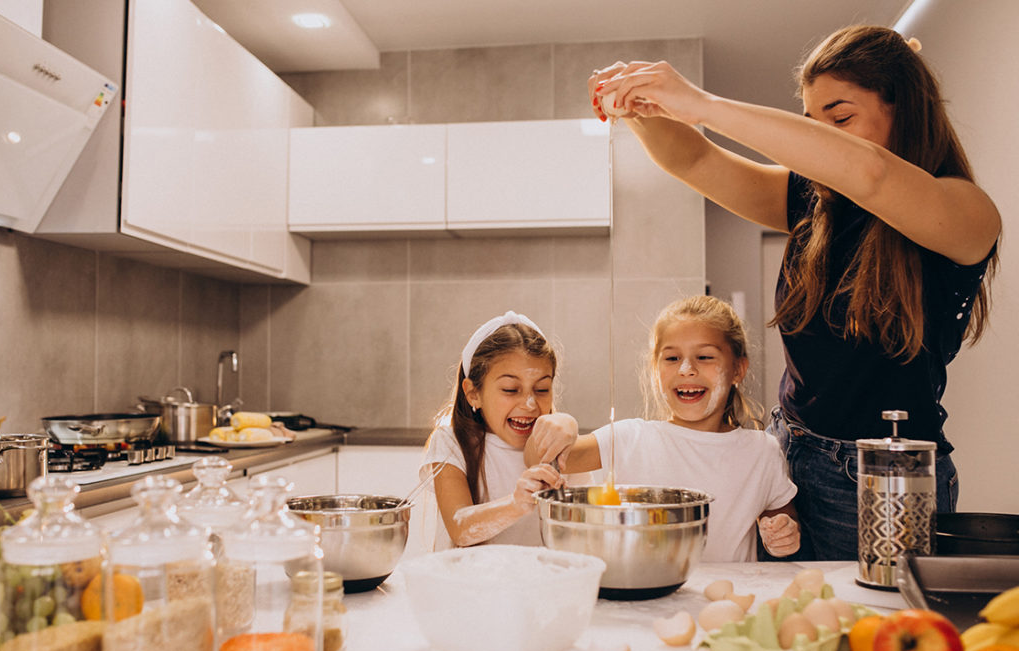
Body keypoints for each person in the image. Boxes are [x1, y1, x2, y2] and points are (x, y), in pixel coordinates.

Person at [587, 26, 1000, 560]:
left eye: (840, 118)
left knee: (872, 612)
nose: (821, 140)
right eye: (810, 122)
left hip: (881, 479)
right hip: (789, 451)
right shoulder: (814, 202)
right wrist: (641, 107)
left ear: (905, 110)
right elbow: (695, 161)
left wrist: (700, 104)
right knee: (788, 609)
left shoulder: (966, 211)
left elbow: (871, 172)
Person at [528, 295, 801, 562]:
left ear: (738, 369)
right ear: (655, 371)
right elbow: (536, 458)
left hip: (728, 591)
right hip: (648, 589)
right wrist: (561, 424)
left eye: (704, 356)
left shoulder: (761, 451)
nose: (686, 369)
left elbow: (782, 517)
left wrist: (782, 535)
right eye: (672, 358)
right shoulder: (630, 439)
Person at [424, 311, 577, 548]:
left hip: (539, 572)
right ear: (473, 393)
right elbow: (460, 528)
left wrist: (570, 426)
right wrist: (515, 504)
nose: (530, 404)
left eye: (542, 389)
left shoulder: (558, 445)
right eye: (510, 389)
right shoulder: (451, 442)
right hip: (467, 573)